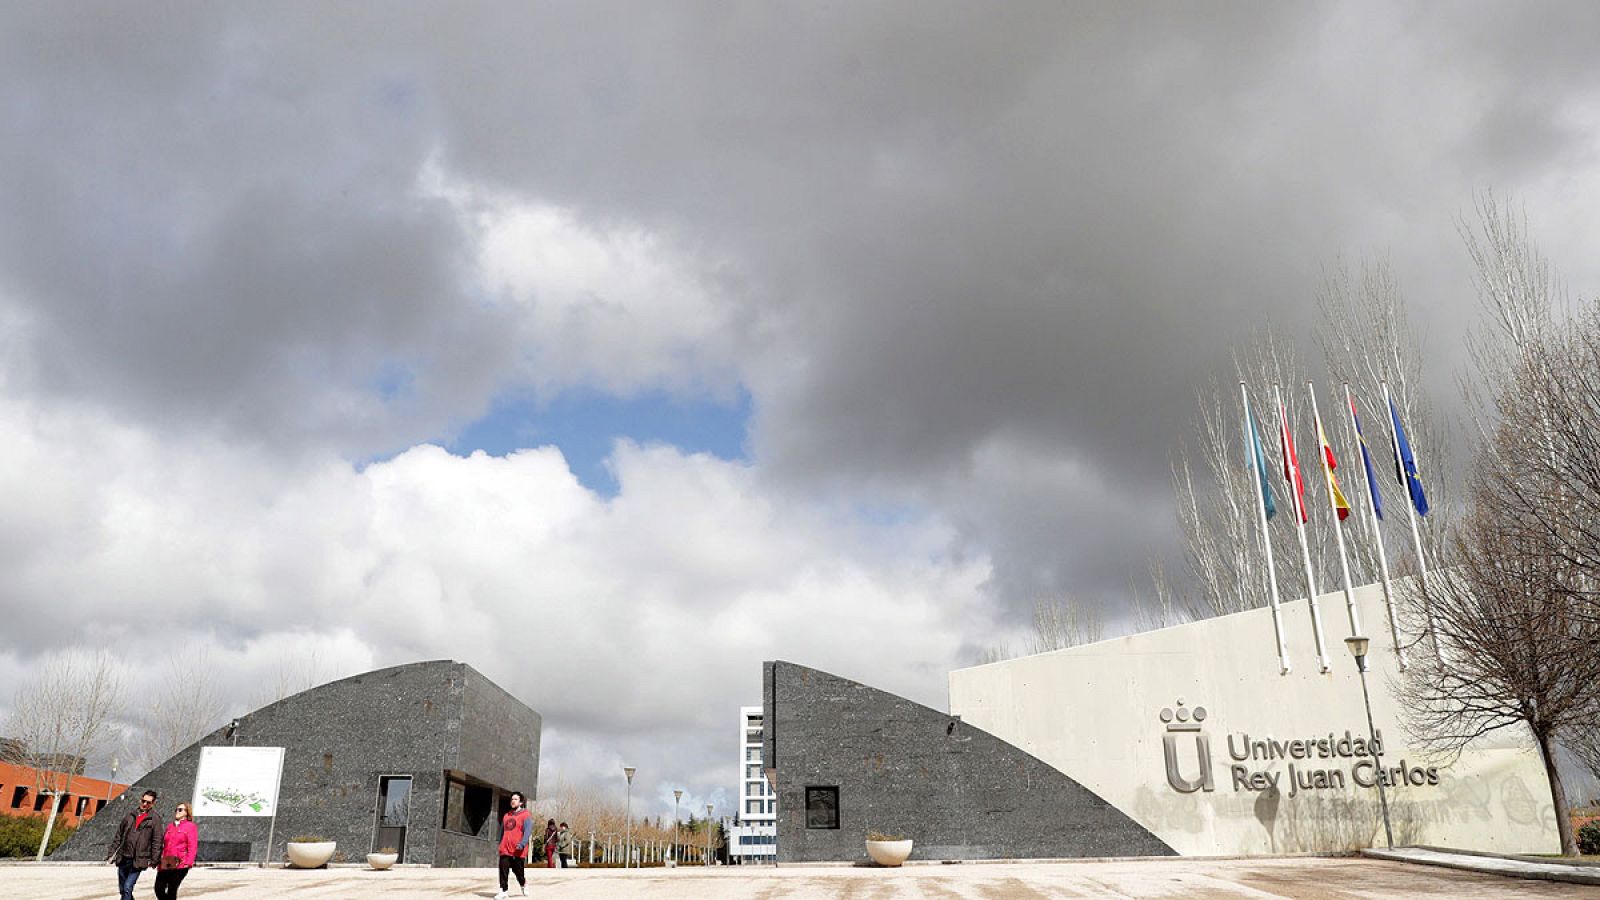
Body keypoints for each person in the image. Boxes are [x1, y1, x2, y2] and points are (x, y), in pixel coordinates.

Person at [107, 789, 164, 900]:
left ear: (153, 803)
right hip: (124, 857)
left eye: (148, 802)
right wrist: (111, 852)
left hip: (138, 860)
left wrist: (154, 859)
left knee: (127, 888)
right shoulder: (130, 815)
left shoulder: (155, 819)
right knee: (123, 889)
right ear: (140, 799)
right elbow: (119, 835)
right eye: (143, 801)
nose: (145, 804)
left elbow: (157, 841)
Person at [153, 801, 198, 899]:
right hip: (167, 861)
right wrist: (159, 860)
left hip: (180, 863)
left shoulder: (190, 826)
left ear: (187, 812)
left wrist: (188, 862)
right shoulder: (170, 826)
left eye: (180, 810)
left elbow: (192, 846)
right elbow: (164, 845)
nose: (177, 811)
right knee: (158, 888)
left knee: (172, 889)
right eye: (176, 809)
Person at [495, 791, 532, 899]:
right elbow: (502, 831)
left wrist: (522, 843)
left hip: (518, 850)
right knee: (503, 869)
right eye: (512, 799)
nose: (513, 801)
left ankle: (523, 883)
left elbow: (527, 831)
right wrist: (500, 844)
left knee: (518, 871)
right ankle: (503, 890)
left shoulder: (525, 815)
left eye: (515, 799)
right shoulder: (506, 815)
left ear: (520, 802)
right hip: (505, 849)